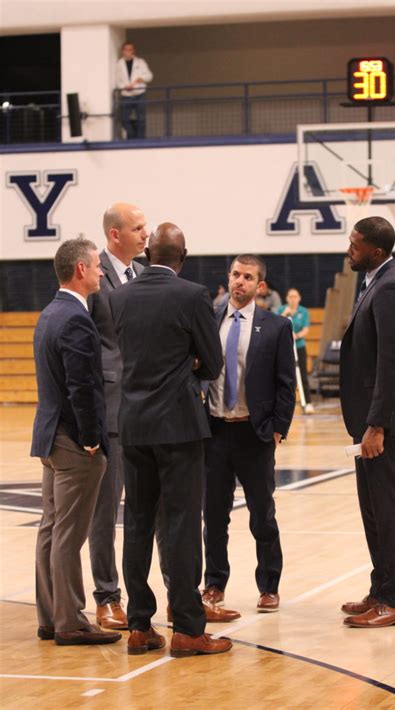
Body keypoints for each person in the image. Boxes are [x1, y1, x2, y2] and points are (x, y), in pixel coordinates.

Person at [110, 222, 232, 657]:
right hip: (179, 425)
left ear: (148, 255)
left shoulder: (119, 296)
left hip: (134, 425)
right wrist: (190, 369)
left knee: (138, 524)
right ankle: (187, 629)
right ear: (182, 256)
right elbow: (213, 362)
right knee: (181, 526)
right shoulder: (192, 295)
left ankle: (139, 626)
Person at [32, 238, 121, 647]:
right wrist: (90, 440)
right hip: (73, 443)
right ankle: (70, 622)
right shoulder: (76, 319)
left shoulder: (50, 313)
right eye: (96, 266)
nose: (102, 271)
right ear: (81, 270)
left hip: (49, 436)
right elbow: (81, 387)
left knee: (51, 530)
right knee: (69, 534)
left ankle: (51, 617)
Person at [339, 216, 395, 628]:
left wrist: (376, 425)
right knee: (374, 511)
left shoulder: (391, 287)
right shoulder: (376, 279)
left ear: (375, 249)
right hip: (370, 419)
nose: (349, 247)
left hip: (385, 422)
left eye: (355, 243)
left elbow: (391, 365)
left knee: (389, 510)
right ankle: (381, 589)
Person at [203, 254, 296, 613]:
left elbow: (286, 384)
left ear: (260, 286)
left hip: (254, 434)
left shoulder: (276, 327)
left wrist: (277, 430)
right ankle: (214, 584)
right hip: (214, 431)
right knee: (213, 516)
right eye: (236, 274)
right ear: (229, 279)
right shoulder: (208, 321)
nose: (240, 281)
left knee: (262, 515)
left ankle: (269, 585)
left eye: (248, 277)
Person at [87, 203, 147, 630]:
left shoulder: (145, 275)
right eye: (138, 228)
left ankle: (145, 593)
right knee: (105, 511)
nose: (146, 234)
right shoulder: (93, 277)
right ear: (115, 235)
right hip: (109, 408)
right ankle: (107, 596)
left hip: (148, 408)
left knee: (146, 509)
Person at [278, 288, 315, 414]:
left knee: (302, 375)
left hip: (299, 346)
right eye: (290, 296)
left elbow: (306, 329)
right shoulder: (281, 309)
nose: (293, 299)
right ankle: (287, 404)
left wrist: (296, 336)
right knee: (286, 376)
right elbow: (276, 325)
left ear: (299, 298)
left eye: (295, 296)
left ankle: (307, 403)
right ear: (287, 298)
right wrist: (284, 314)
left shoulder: (303, 311)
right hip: (285, 348)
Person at [116, 41, 153, 139]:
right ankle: (132, 136)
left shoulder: (141, 62)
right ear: (123, 51)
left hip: (139, 93)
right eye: (126, 49)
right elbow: (117, 80)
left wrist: (139, 80)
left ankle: (140, 139)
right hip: (126, 94)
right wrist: (124, 86)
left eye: (130, 49)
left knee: (141, 119)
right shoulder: (119, 64)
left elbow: (149, 76)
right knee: (124, 119)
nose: (128, 52)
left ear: (133, 51)